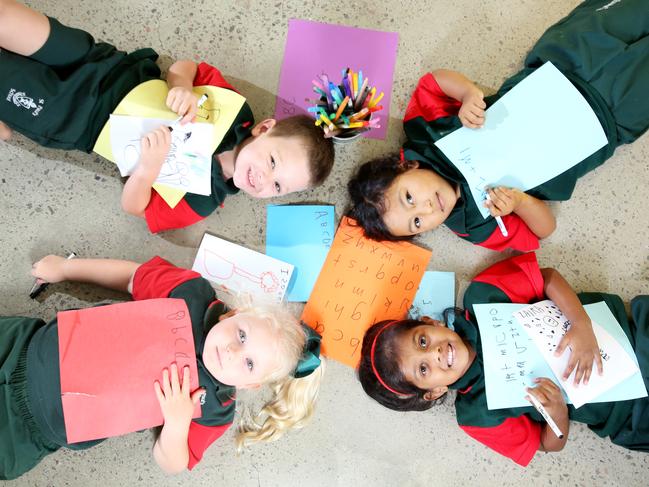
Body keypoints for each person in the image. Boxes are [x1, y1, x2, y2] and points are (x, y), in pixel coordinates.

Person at [0, 0, 335, 233]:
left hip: (75, 119)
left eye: (277, 187)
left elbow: (135, 207)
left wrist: (147, 170)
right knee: (10, 19)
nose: (264, 180)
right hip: (103, 65)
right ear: (264, 128)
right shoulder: (236, 108)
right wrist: (181, 85)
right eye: (273, 162)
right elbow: (186, 66)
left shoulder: (202, 201)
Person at [348, 0, 649, 251]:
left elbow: (434, 82)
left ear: (405, 169)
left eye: (409, 198)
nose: (425, 209)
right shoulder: (473, 225)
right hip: (612, 118)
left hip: (569, 60)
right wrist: (519, 202)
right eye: (417, 222)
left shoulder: (424, 136)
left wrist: (467, 94)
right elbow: (543, 231)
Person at [0, 254, 325, 479]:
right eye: (241, 334)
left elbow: (173, 462)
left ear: (251, 385)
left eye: (249, 363)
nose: (231, 350)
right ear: (234, 314)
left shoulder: (216, 409)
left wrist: (177, 423)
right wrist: (66, 269)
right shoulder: (192, 294)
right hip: (25, 345)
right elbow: (132, 277)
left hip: (35, 430)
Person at [357, 252, 649, 466]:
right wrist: (558, 413)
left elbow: (546, 278)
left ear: (430, 323)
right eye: (423, 369)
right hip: (629, 412)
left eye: (422, 340)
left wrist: (580, 323)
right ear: (433, 392)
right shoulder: (477, 416)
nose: (433, 353)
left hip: (633, 333)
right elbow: (549, 445)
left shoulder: (482, 296)